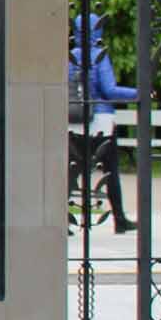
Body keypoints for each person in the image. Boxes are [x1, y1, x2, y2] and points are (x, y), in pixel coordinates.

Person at [68, 14, 137, 233]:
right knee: (110, 171)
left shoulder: (70, 56)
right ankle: (119, 219)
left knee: (71, 171)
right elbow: (109, 90)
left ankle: (63, 220)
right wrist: (139, 93)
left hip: (74, 121)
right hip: (101, 122)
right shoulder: (99, 56)